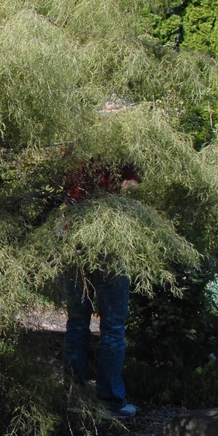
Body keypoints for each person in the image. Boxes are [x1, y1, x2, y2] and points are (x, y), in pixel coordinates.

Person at [59, 158, 140, 418]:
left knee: (76, 323)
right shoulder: (121, 150)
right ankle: (111, 401)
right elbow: (131, 190)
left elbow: (65, 192)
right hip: (109, 243)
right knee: (113, 327)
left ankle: (75, 397)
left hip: (74, 241)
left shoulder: (75, 150)